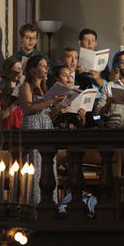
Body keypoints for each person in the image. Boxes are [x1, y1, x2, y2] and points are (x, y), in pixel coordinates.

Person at [17, 55, 67, 205]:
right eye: (42, 66)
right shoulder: (26, 86)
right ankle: (34, 204)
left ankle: (50, 204)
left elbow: (48, 114)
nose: (46, 69)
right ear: (32, 70)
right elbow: (29, 107)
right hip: (32, 126)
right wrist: (51, 101)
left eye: (47, 66)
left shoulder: (46, 87)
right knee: (36, 166)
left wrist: (58, 108)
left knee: (48, 165)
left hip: (45, 124)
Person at [51, 64, 98, 219]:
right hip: (57, 143)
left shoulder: (77, 95)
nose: (69, 78)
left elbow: (81, 126)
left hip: (74, 141)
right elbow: (47, 120)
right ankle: (72, 200)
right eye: (65, 75)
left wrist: (82, 118)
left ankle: (78, 199)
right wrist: (59, 109)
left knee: (76, 154)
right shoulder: (52, 97)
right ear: (57, 79)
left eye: (70, 75)